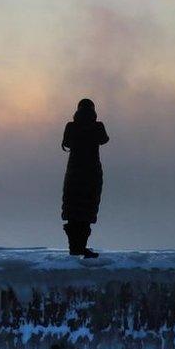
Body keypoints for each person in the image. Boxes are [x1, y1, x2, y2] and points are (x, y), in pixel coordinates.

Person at [61, 98, 109, 258]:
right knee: (86, 211)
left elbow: (66, 143)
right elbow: (104, 139)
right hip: (91, 174)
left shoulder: (71, 126)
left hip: (74, 174)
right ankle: (80, 247)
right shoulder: (97, 126)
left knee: (73, 210)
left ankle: (75, 247)